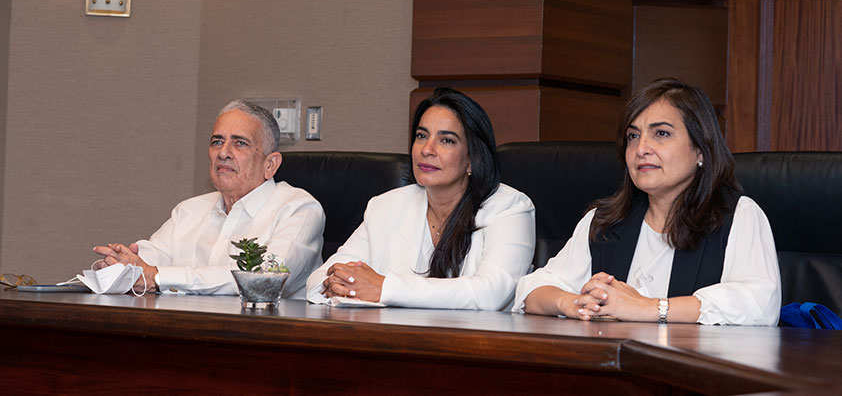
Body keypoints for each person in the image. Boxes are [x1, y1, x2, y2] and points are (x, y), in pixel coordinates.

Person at [514, 78, 781, 325]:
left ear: (700, 149)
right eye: (633, 136)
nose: (641, 149)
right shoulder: (604, 221)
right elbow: (531, 291)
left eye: (661, 133)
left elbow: (759, 305)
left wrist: (647, 307)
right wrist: (575, 304)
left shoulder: (737, 215)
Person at [306, 88, 535, 310]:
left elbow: (491, 293)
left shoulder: (509, 207)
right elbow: (321, 278)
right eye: (422, 136)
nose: (427, 149)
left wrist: (385, 287)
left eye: (447, 140)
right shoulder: (385, 206)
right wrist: (342, 283)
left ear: (473, 159)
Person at [93, 100, 325, 298]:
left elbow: (264, 280)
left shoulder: (299, 209)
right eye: (217, 142)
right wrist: (121, 265)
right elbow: (149, 262)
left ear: (270, 164)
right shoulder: (189, 210)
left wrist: (158, 276)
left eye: (239, 143)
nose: (223, 153)